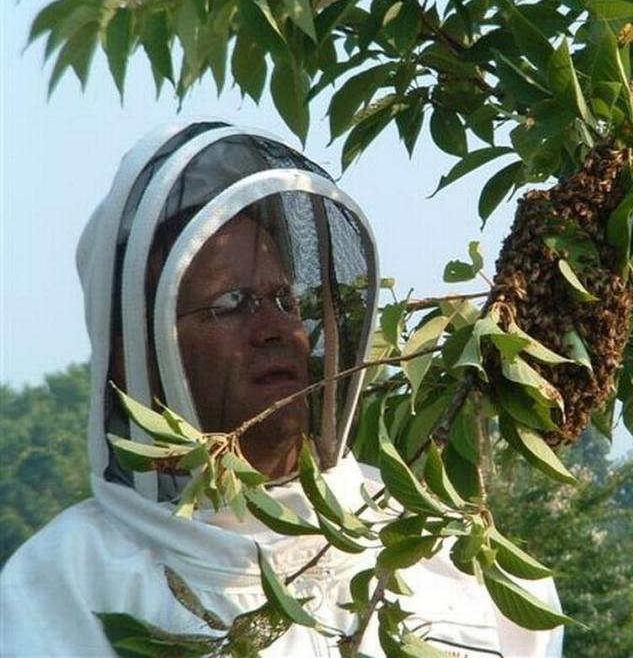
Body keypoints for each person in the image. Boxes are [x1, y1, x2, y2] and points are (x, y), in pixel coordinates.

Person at [0, 122, 562, 657]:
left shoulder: (443, 552)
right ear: (139, 352)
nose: (280, 330)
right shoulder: (66, 584)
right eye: (231, 304)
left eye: (285, 300)